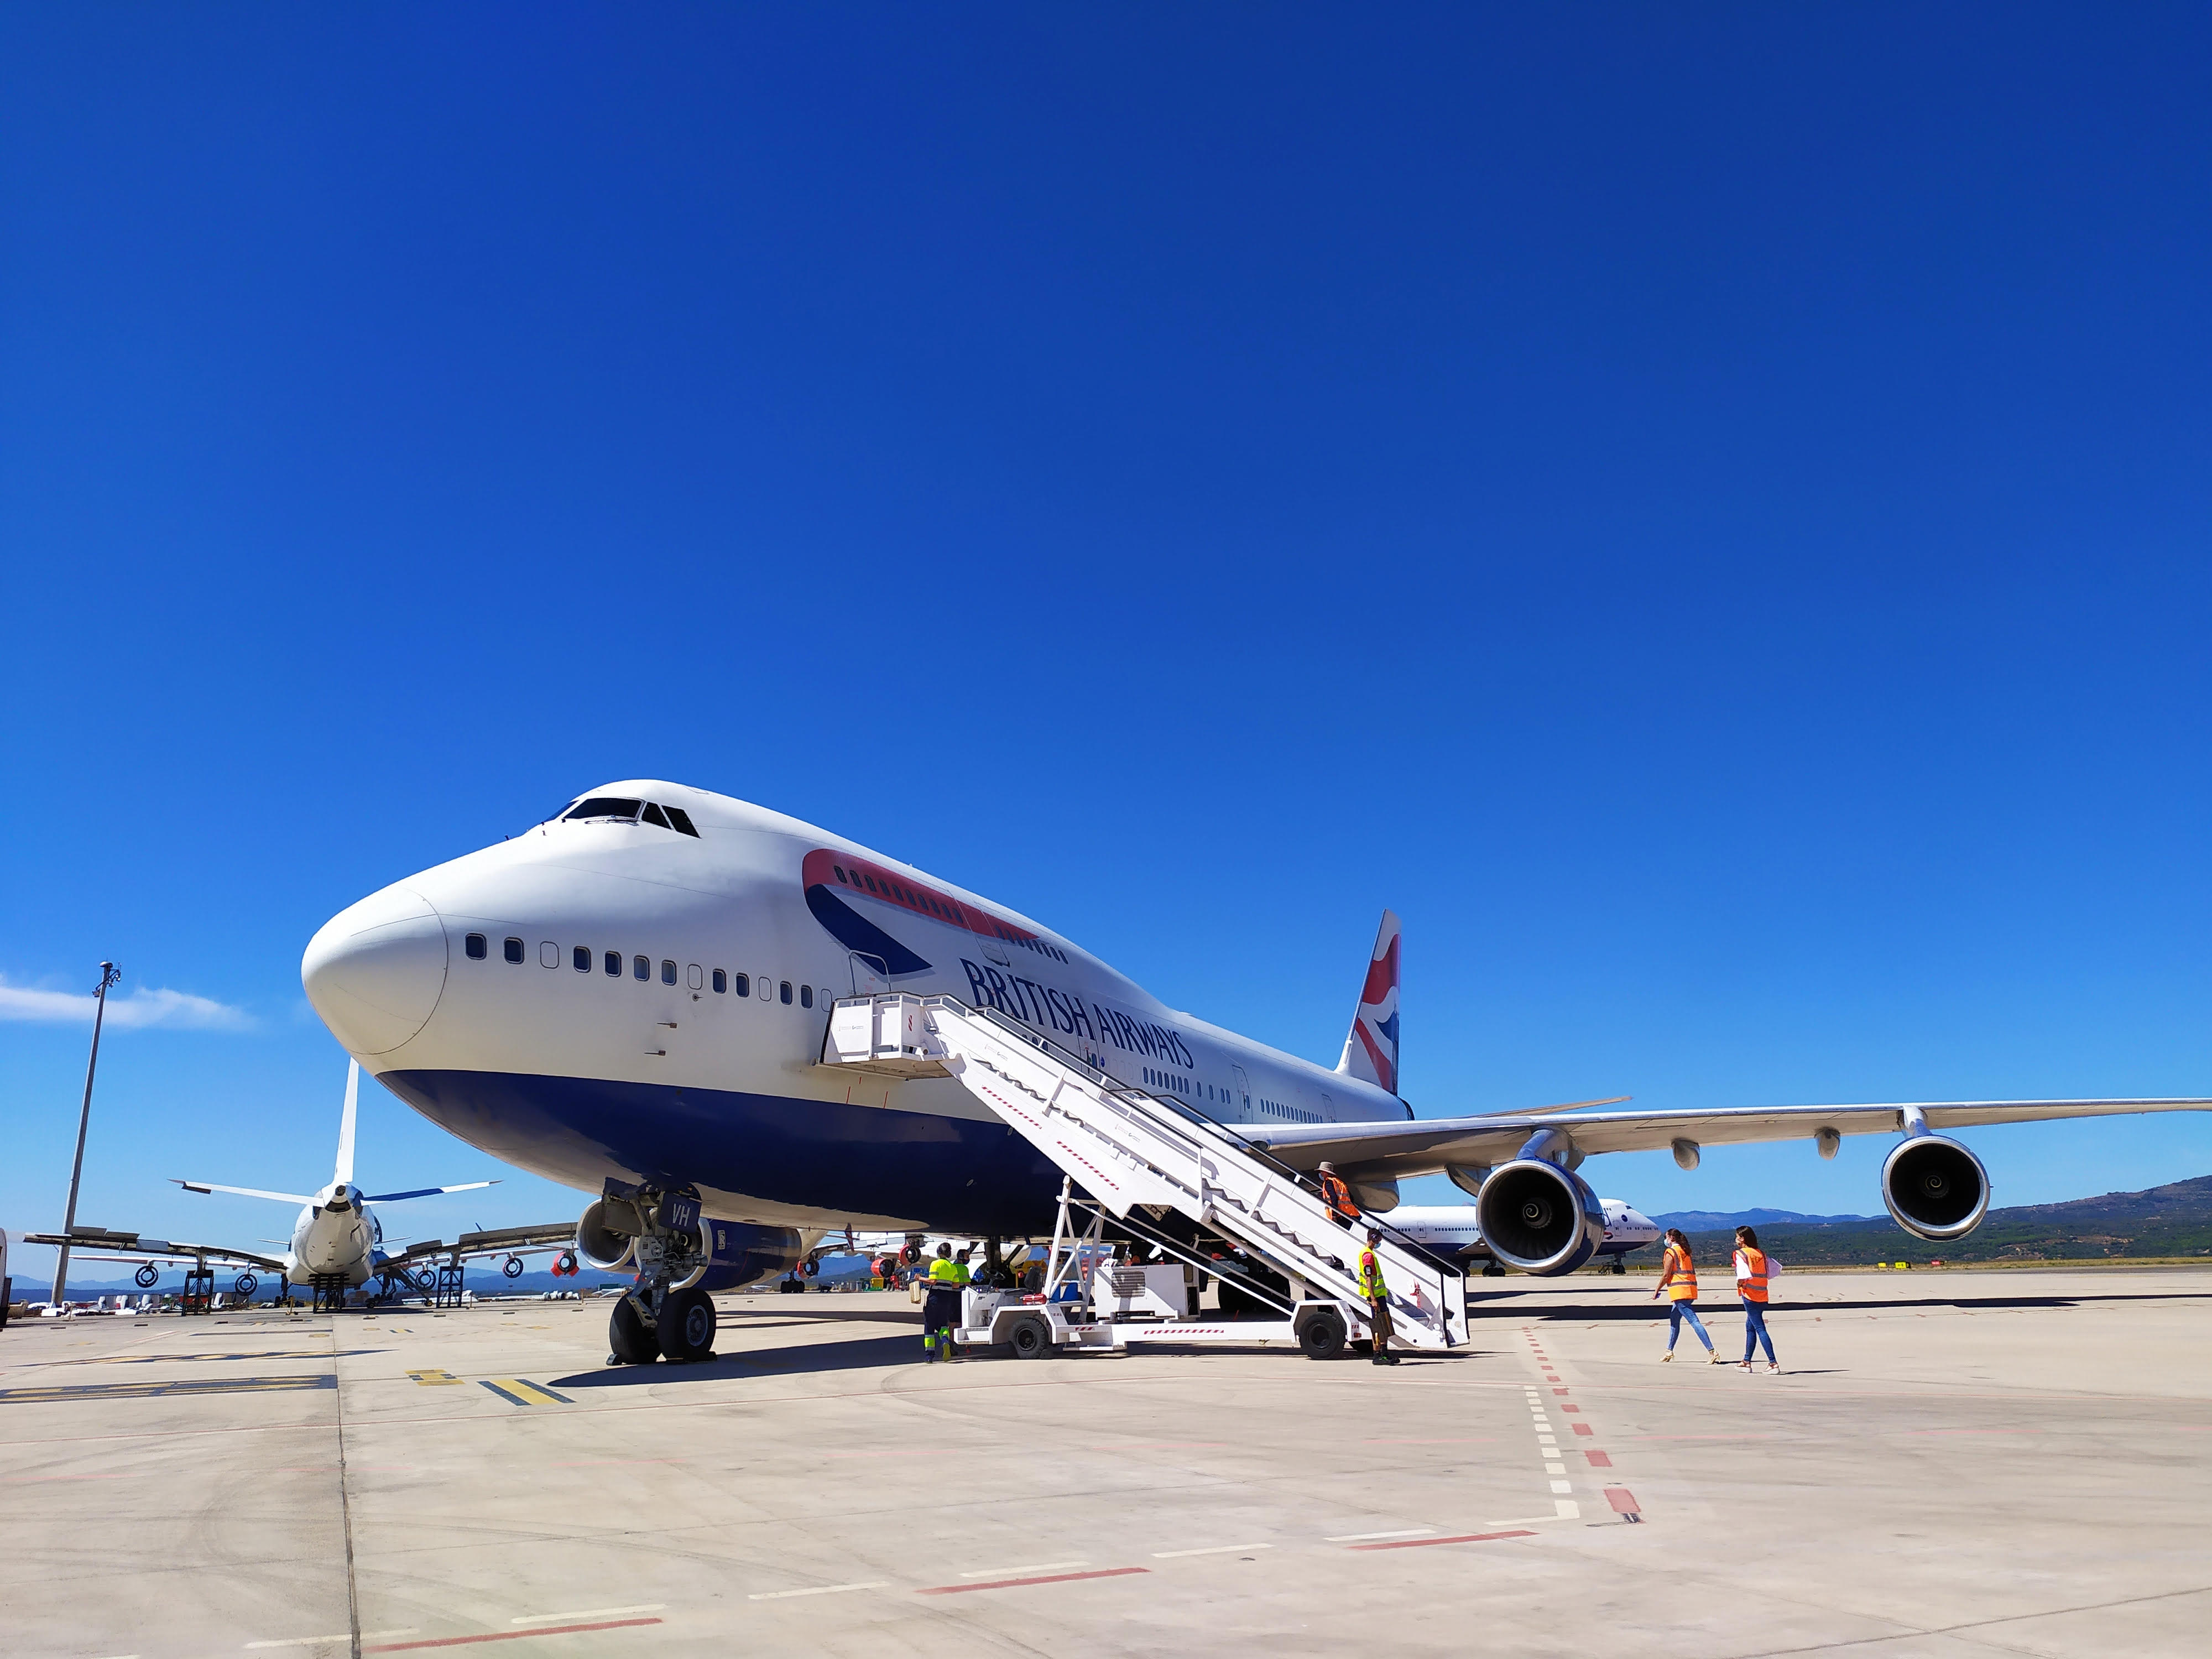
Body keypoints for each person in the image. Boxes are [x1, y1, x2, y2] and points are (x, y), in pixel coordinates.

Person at [1651, 1228, 1720, 1363]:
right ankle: (1669, 1350)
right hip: (1690, 1289)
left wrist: (1657, 1290)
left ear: (1671, 1238)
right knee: (1674, 1319)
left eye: (1666, 1237)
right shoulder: (1685, 1251)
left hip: (1680, 1291)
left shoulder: (1671, 1252)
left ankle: (1712, 1351)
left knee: (1694, 1321)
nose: (1665, 1240)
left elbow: (1667, 1274)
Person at [1734, 1225, 1778, 1373]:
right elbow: (1774, 1270)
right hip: (1762, 1294)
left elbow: (1742, 1275)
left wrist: (1739, 1284)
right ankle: (1746, 1361)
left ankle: (1773, 1363)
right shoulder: (1761, 1254)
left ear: (1742, 1239)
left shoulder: (1741, 1254)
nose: (1735, 1239)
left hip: (1750, 1295)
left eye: (1737, 1236)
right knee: (1750, 1327)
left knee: (1759, 1328)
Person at [920, 1241, 969, 1362]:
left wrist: (920, 1278)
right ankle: (945, 1342)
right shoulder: (952, 1267)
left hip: (935, 1298)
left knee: (929, 1327)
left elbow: (933, 1281)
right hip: (947, 1299)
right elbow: (957, 1285)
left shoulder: (935, 1264)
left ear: (939, 1252)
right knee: (943, 1325)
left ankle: (929, 1356)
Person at [1357, 1228, 1399, 1365]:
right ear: (1373, 1239)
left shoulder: (1370, 1253)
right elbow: (1369, 1279)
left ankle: (1385, 1353)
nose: (1379, 1243)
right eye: (1379, 1240)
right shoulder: (1367, 1255)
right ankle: (1377, 1356)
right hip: (1376, 1298)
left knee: (1384, 1325)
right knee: (1377, 1326)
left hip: (1380, 1296)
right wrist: (1373, 1299)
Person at [1318, 1162, 1361, 1229]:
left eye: (1321, 1172)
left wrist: (1334, 1215)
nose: (1321, 1174)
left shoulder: (1328, 1182)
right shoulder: (1340, 1182)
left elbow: (1334, 1198)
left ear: (1326, 1172)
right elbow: (1351, 1198)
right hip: (1351, 1213)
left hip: (1341, 1216)